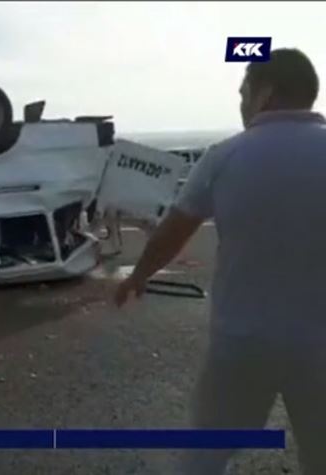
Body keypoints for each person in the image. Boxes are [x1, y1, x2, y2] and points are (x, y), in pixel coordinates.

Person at [114, 48, 326, 475]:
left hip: (243, 341)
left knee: (205, 453)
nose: (242, 102)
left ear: (265, 92)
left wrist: (138, 276)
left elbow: (175, 228)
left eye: (244, 91)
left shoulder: (225, 155)